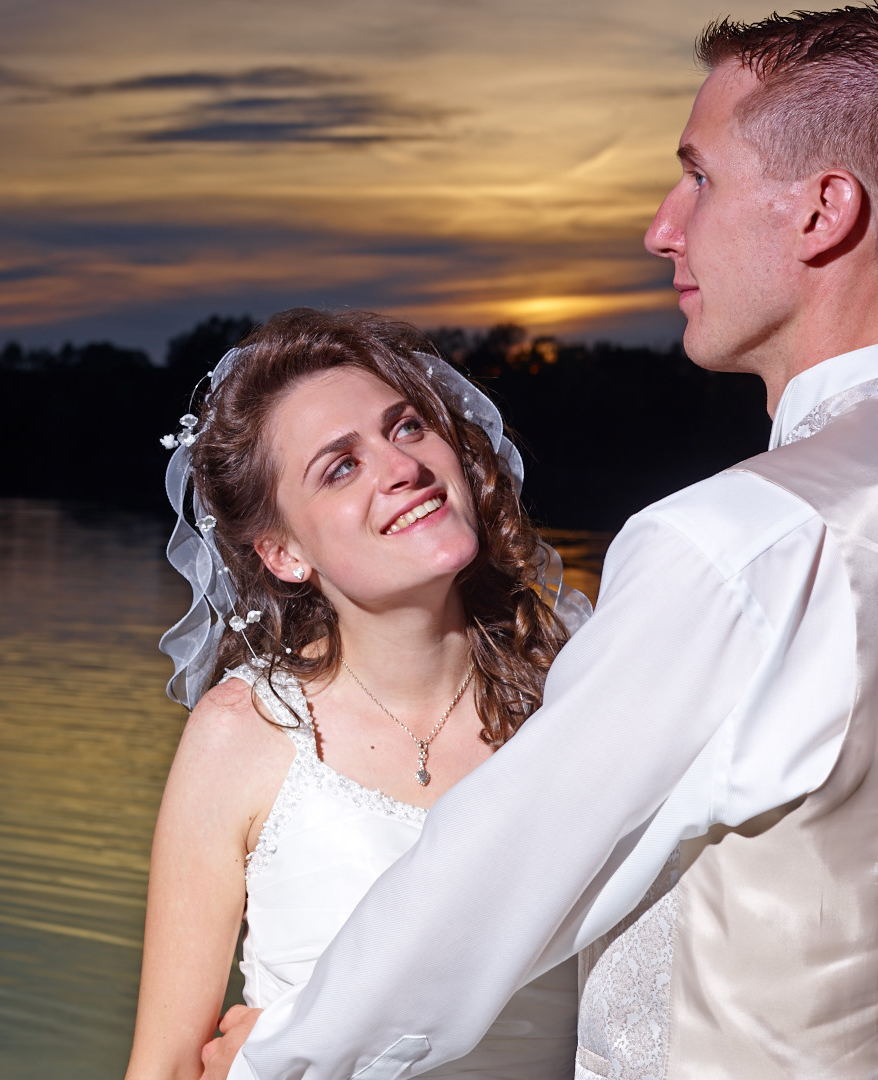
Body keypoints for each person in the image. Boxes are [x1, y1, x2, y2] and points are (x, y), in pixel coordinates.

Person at [207, 5, 878, 1079]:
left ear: (824, 212)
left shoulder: (737, 545)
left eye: (699, 176)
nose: (663, 226)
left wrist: (277, 1049)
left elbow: (500, 870)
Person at [122, 308, 588, 1080]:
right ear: (283, 552)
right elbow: (167, 1064)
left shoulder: (575, 699)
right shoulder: (245, 733)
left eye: (406, 428)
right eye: (340, 467)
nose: (401, 467)